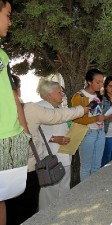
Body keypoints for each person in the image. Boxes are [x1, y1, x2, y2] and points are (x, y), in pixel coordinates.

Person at [6, 90, 89, 225]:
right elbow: (55, 118)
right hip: (35, 165)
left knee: (60, 192)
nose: (62, 93)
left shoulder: (49, 108)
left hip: (51, 160)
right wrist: (81, 110)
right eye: (58, 91)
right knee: (35, 203)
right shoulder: (34, 108)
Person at [0, 1, 30, 224]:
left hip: (11, 139)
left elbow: (13, 96)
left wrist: (25, 132)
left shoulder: (3, 55)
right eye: (8, 15)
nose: (10, 22)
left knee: (3, 198)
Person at [35, 79, 77, 210]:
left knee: (64, 187)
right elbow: (35, 132)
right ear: (48, 95)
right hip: (50, 158)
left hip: (64, 154)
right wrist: (54, 138)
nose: (62, 94)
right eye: (59, 92)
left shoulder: (58, 107)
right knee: (50, 192)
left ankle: (62, 213)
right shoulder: (39, 108)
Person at [71, 69, 106, 181]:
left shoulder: (98, 95)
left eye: (102, 82)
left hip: (100, 132)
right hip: (87, 133)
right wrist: (96, 118)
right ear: (89, 82)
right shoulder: (79, 96)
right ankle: (84, 195)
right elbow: (76, 119)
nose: (101, 85)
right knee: (86, 167)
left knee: (97, 166)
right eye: (98, 82)